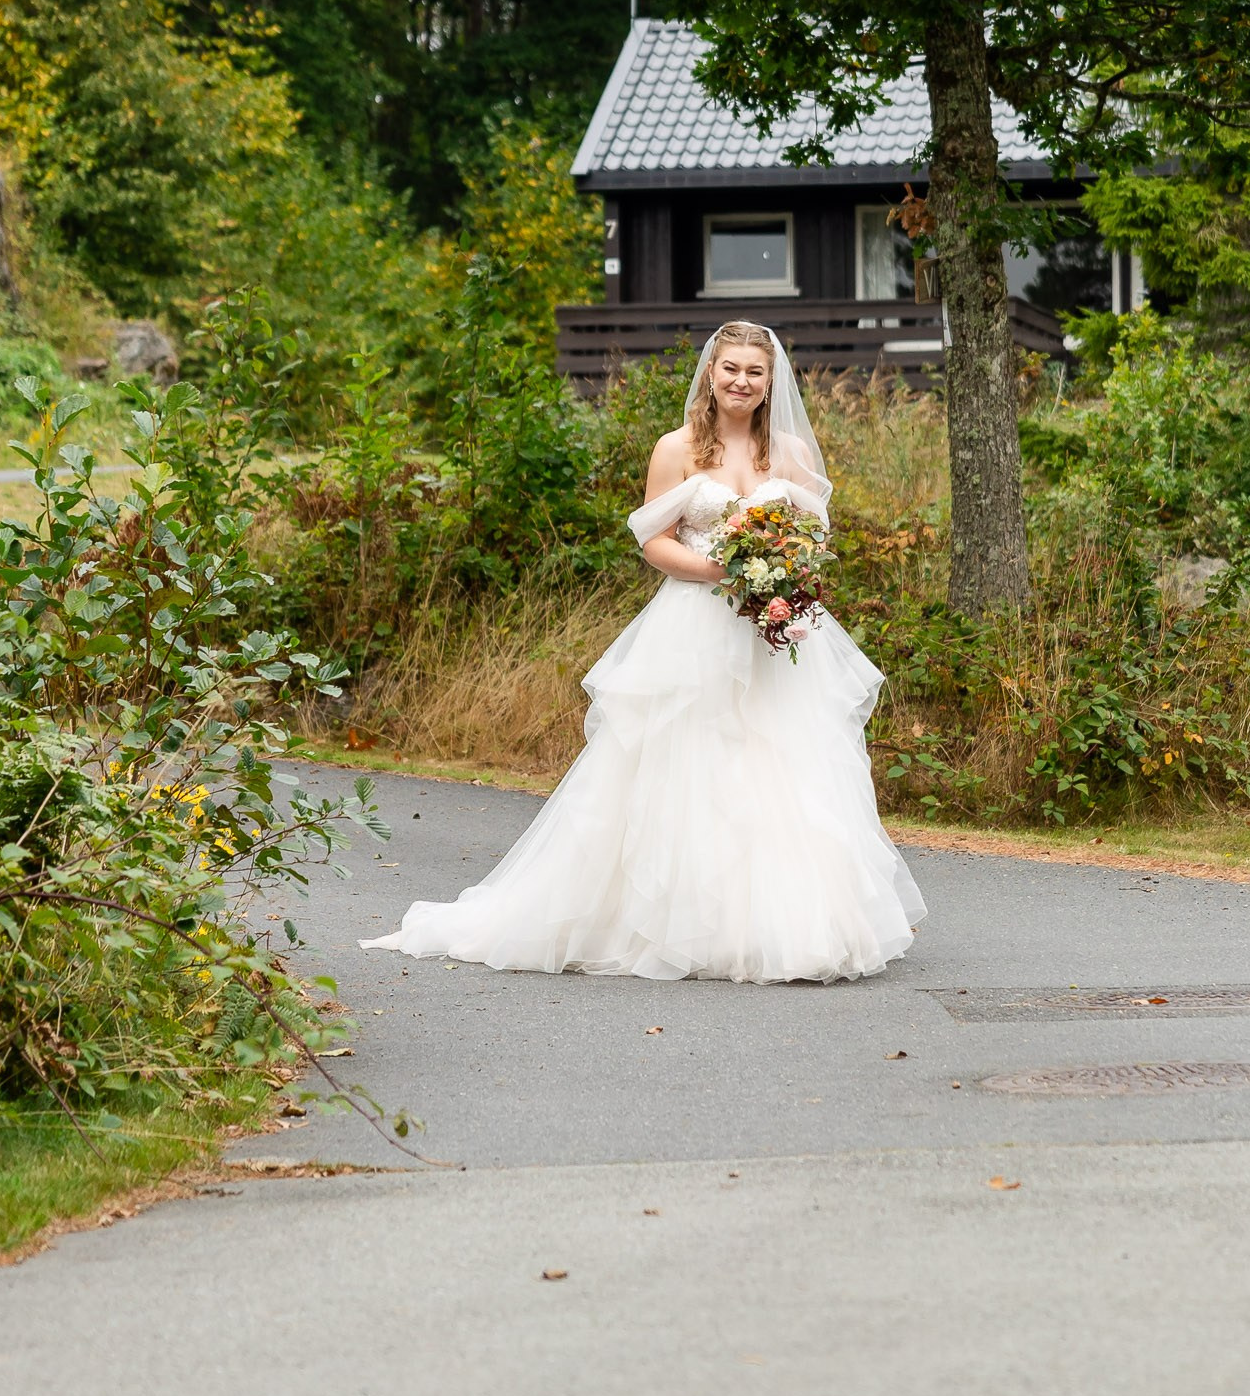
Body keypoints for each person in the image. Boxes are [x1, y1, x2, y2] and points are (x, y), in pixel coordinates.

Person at [365, 320, 925, 981]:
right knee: (686, 765)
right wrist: (722, 572)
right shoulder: (678, 448)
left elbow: (810, 537)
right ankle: (673, 922)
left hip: (776, 631)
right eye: (731, 369)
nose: (741, 381)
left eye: (754, 371)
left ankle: (789, 927)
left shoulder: (793, 453)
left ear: (771, 380)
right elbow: (654, 541)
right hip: (695, 624)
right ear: (710, 375)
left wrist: (783, 577)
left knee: (783, 764)